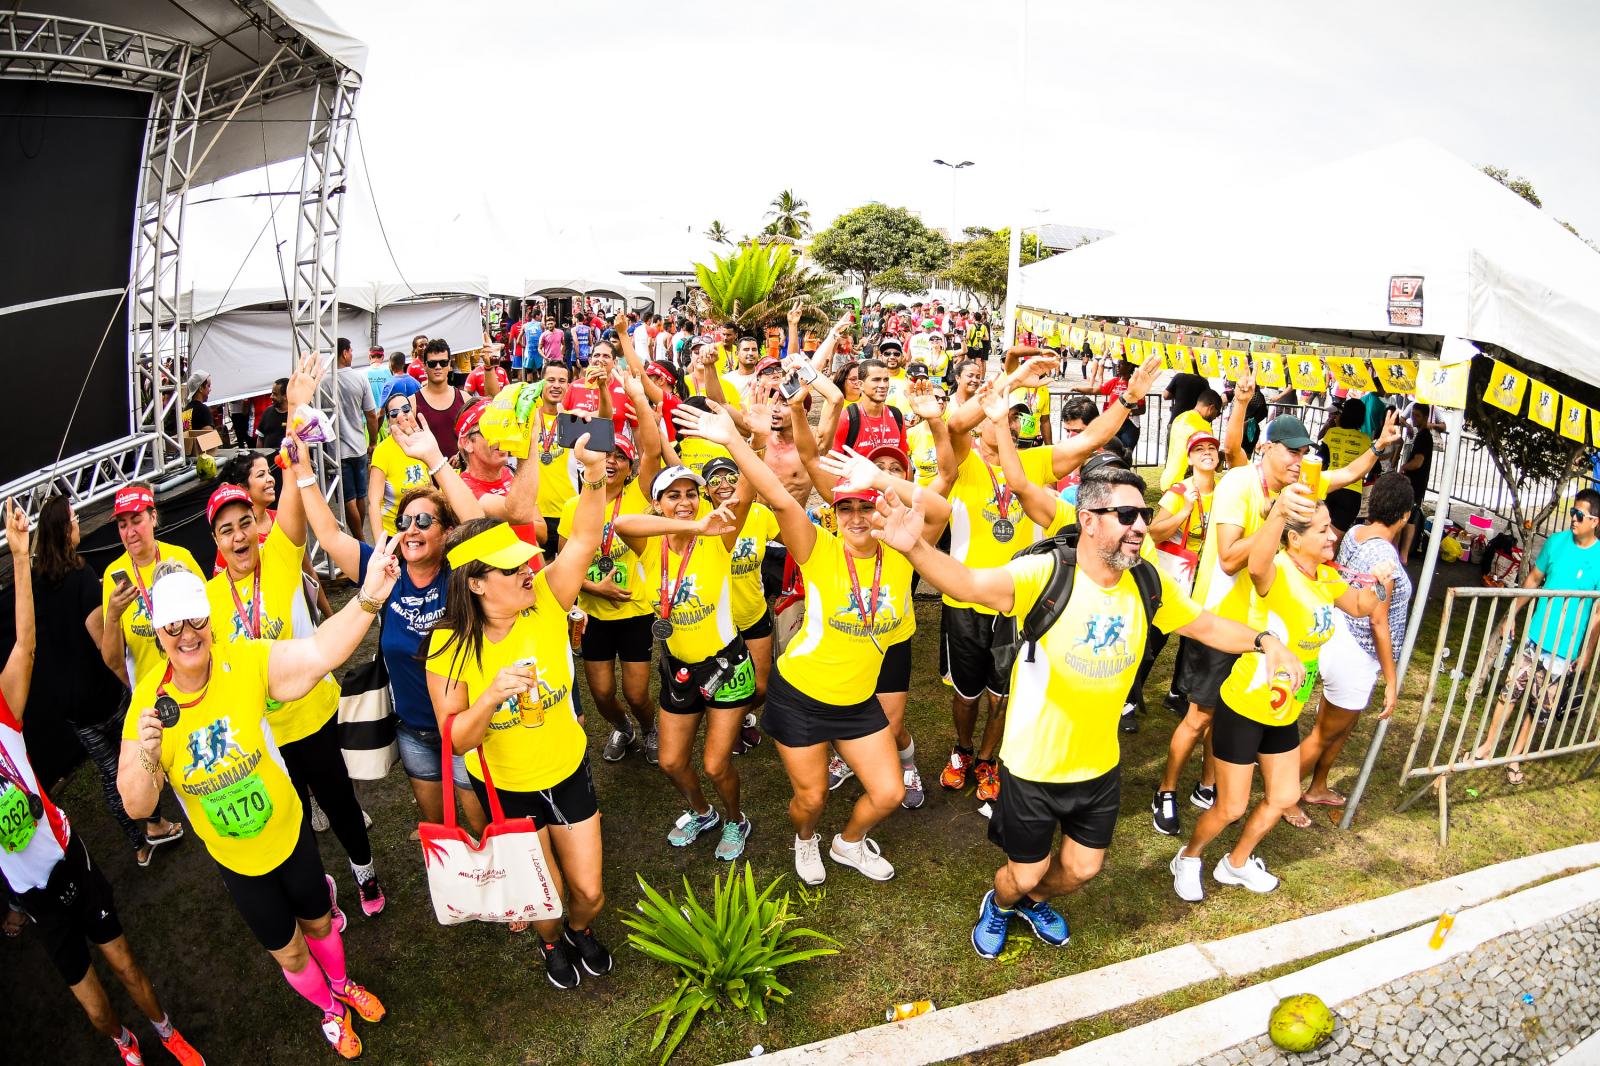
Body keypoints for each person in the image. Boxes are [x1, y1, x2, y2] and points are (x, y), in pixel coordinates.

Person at [871, 470, 1299, 958]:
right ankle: (1001, 903)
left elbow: (1202, 624)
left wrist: (1264, 642)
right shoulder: (1047, 575)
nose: (1140, 525)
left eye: (1143, 514)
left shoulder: (1145, 582)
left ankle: (1032, 902)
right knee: (1023, 871)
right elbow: (968, 583)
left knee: (1081, 870)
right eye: (1126, 515)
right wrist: (916, 550)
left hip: (1098, 766)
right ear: (1088, 521)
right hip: (1034, 766)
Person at [119, 551, 396, 1058]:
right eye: (173, 625)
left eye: (196, 620)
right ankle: (331, 1011)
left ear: (208, 617)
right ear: (158, 632)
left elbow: (319, 653)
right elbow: (137, 805)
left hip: (288, 835)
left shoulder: (242, 661)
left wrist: (371, 595)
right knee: (290, 952)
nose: (187, 635)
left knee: (319, 924)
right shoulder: (147, 709)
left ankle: (340, 982)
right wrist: (147, 753)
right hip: (239, 862)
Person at [684, 401, 945, 885]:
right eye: (845, 507)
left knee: (887, 793)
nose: (856, 516)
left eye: (866, 505)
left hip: (856, 700)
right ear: (834, 513)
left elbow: (942, 508)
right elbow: (780, 498)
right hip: (801, 695)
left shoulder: (905, 548)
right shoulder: (819, 549)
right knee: (811, 799)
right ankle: (805, 839)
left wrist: (881, 478)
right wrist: (735, 440)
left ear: (882, 508)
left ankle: (847, 843)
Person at [0, 501, 205, 1066]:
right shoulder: (95, 574)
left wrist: (20, 559)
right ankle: (124, 1042)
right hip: (33, 897)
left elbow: (26, 644)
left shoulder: (3, 713)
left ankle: (164, 1028)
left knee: (126, 965)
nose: (129, 529)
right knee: (93, 1007)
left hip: (70, 859)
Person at [425, 434, 616, 991]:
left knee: (589, 893)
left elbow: (583, 534)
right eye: (511, 570)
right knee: (543, 896)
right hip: (508, 790)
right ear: (477, 584)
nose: (528, 571)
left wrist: (596, 467)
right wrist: (489, 698)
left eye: (523, 562)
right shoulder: (450, 646)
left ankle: (579, 930)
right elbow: (456, 740)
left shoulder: (550, 600)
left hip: (567, 770)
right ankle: (553, 942)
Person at [1153, 411, 1400, 838]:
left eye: (1304, 451)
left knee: (1228, 714)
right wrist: (1277, 520)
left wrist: (1377, 447)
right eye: (1292, 451)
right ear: (1266, 448)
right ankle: (1167, 790)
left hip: (1259, 630)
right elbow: (1230, 558)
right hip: (1219, 620)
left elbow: (1341, 476)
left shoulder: (1295, 488)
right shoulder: (1238, 484)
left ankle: (1208, 785)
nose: (1298, 460)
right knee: (1199, 716)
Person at [935, 354, 1163, 803]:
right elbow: (956, 425)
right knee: (966, 693)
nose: (1013, 426)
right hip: (965, 600)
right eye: (1004, 417)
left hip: (1021, 600)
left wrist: (1128, 400)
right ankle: (961, 750)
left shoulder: (1034, 463)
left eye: (1018, 420)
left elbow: (1092, 439)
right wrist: (1013, 380)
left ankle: (986, 759)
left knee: (1004, 693)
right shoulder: (961, 461)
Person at [208, 357, 385, 920]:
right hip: (261, 735)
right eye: (225, 529)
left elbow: (292, 484)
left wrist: (292, 412)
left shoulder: (280, 561)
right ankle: (316, 889)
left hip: (310, 715)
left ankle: (365, 873)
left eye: (243, 525)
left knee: (339, 799)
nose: (239, 537)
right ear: (214, 538)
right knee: (293, 816)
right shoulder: (209, 602)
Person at [1171, 484, 1393, 900]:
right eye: (1324, 531)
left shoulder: (1325, 577)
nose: (1334, 537)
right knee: (1231, 807)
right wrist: (1276, 515)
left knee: (1285, 795)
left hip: (1286, 709)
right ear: (1295, 538)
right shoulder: (1278, 571)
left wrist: (1381, 586)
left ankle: (1235, 864)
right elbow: (1254, 565)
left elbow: (1364, 607)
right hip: (1247, 704)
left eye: (1332, 530)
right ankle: (1188, 856)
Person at [290, 419, 491, 838]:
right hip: (413, 729)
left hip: (464, 727)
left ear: (446, 533)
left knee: (481, 823)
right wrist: (304, 471)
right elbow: (328, 534)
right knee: (438, 826)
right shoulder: (382, 569)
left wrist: (433, 459)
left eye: (424, 521)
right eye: (405, 521)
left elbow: (481, 529)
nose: (411, 529)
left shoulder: (457, 573)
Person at [613, 459, 757, 861]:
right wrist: (692, 526)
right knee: (671, 760)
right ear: (657, 503)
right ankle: (702, 812)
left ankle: (735, 819)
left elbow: (750, 489)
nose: (685, 502)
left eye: (691, 494)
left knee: (715, 765)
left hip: (725, 667)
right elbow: (623, 524)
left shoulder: (719, 536)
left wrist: (750, 442)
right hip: (677, 668)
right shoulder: (653, 543)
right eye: (673, 496)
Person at [33, 496, 184, 867]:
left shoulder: (37, 580)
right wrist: (129, 685)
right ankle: (155, 822)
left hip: (68, 704)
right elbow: (105, 644)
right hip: (101, 696)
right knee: (136, 759)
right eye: (74, 518)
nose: (79, 522)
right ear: (65, 529)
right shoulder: (83, 578)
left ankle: (139, 845)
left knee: (107, 772)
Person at [1288, 473, 1414, 826]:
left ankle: (1318, 785)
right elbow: (1379, 621)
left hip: (1343, 639)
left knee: (1339, 727)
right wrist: (1392, 679)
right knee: (1325, 731)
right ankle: (1282, 796)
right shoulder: (1383, 554)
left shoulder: (1358, 533)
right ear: (1404, 515)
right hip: (1357, 651)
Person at [556, 373, 664, 765]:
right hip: (595, 614)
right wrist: (593, 588)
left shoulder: (640, 494)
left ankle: (649, 728)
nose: (613, 461)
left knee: (637, 693)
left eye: (620, 456)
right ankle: (623, 728)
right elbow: (564, 563)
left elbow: (652, 449)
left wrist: (635, 397)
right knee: (601, 693)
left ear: (630, 465)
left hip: (636, 611)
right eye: (608, 455)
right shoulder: (576, 505)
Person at [1473, 488, 1600, 782]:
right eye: (1572, 512)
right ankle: (1488, 747)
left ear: (1594, 521)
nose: (1573, 519)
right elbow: (1532, 580)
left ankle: (1516, 758)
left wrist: (1587, 653)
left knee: (1537, 705)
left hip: (1563, 649)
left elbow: (1597, 614)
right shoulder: (1556, 543)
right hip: (1535, 637)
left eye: (1579, 515)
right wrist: (1512, 614)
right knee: (1509, 692)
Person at [99, 483, 206, 694]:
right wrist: (112, 616)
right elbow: (113, 661)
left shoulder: (181, 558)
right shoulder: (115, 573)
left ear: (153, 517)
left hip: (195, 684)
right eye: (122, 525)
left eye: (137, 521)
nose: (130, 532)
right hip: (153, 695)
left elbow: (212, 624)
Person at [215, 450, 333, 621]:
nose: (271, 479)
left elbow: (307, 571)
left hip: (298, 619)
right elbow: (224, 594)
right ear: (242, 488)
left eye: (269, 473)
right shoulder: (236, 542)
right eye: (261, 475)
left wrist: (329, 617)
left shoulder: (282, 520)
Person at [368, 377, 434, 542]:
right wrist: (380, 546)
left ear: (413, 411)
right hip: (395, 534)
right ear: (388, 420)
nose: (401, 415)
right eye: (394, 413)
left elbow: (432, 488)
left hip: (425, 528)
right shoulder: (383, 451)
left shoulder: (423, 443)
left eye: (406, 409)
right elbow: (374, 503)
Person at [333, 337, 380, 537]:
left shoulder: (323, 381)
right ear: (344, 353)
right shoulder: (359, 378)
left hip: (335, 452)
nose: (352, 355)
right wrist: (373, 441)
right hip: (359, 447)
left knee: (348, 498)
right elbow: (371, 414)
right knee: (361, 495)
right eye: (351, 351)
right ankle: (360, 537)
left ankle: (358, 537)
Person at [532, 361, 576, 559]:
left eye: (562, 381)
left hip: (567, 512)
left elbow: (605, 417)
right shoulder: (527, 419)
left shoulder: (573, 421)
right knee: (539, 576)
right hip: (534, 513)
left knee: (567, 576)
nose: (556, 385)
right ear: (541, 382)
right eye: (550, 380)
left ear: (568, 386)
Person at [1318, 398, 1374, 539]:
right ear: (1362, 418)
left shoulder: (1331, 433)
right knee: (1334, 539)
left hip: (1329, 486)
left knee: (1320, 532)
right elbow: (1373, 468)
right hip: (1352, 494)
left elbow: (1320, 460)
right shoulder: (1365, 440)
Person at [415, 339, 471, 460]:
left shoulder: (465, 399)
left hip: (458, 475)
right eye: (432, 364)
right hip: (426, 475)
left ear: (449, 365)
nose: (438, 367)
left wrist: (462, 454)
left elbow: (475, 437)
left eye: (443, 362)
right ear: (424, 366)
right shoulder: (412, 402)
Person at [1159, 388, 1221, 491]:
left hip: (1168, 479)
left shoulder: (1179, 417)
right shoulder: (1203, 426)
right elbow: (1206, 459)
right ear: (1211, 408)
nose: (1215, 417)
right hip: (1185, 485)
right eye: (1217, 413)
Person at [1398, 404, 1435, 561]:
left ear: (1426, 417)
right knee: (1409, 516)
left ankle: (1403, 553)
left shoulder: (1423, 437)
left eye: (1417, 415)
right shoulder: (1422, 435)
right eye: (1413, 414)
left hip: (1415, 482)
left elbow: (1418, 461)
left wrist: (1404, 466)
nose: (1413, 418)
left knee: (1407, 517)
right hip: (1417, 482)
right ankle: (1404, 554)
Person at [255, 377, 290, 450]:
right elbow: (260, 438)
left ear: (285, 396)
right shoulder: (267, 412)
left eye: (275, 394)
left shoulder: (296, 414)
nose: (271, 396)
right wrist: (261, 455)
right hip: (269, 460)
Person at [183, 371, 214, 436]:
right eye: (208, 386)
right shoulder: (203, 410)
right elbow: (210, 439)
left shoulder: (186, 410)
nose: (210, 389)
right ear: (201, 388)